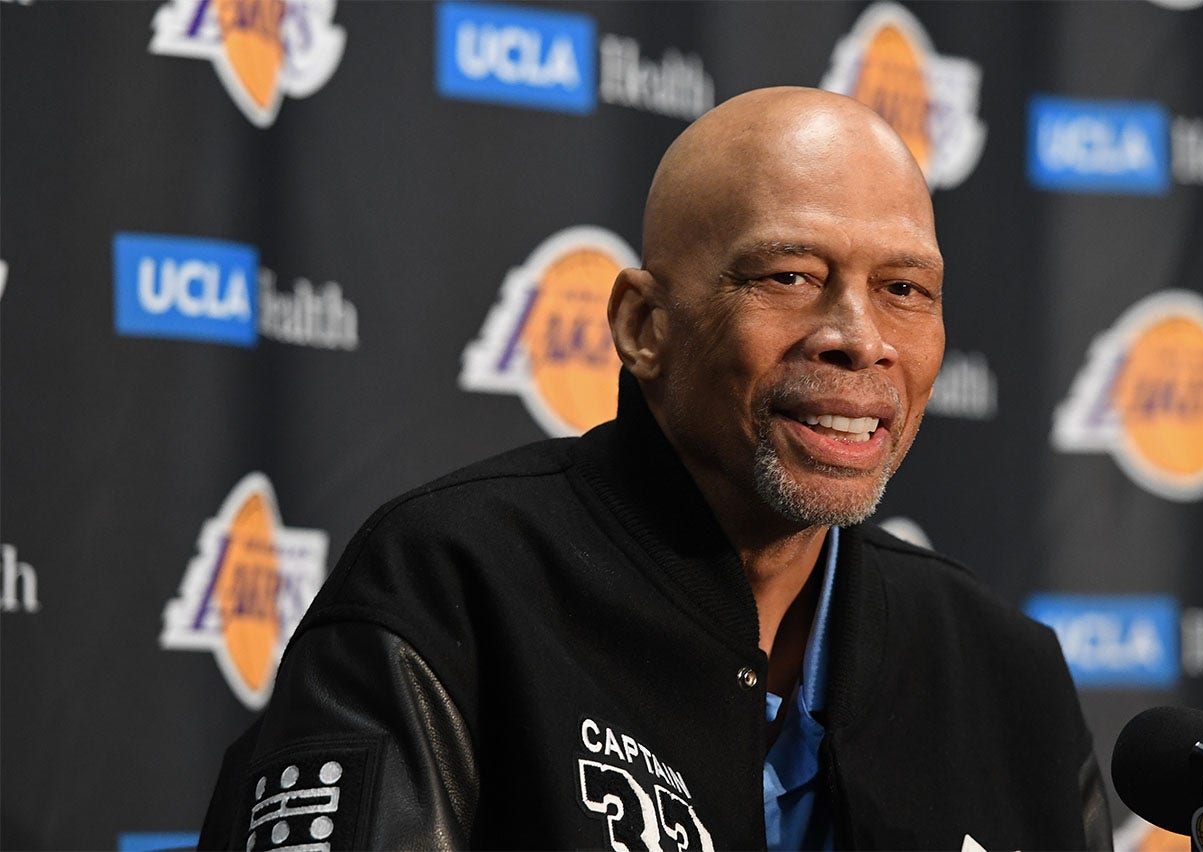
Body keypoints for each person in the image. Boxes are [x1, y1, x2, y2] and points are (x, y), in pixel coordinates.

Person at [198, 87, 1111, 851]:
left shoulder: (1007, 673)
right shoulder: (450, 582)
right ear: (643, 326)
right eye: (788, 276)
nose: (859, 339)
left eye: (904, 290)